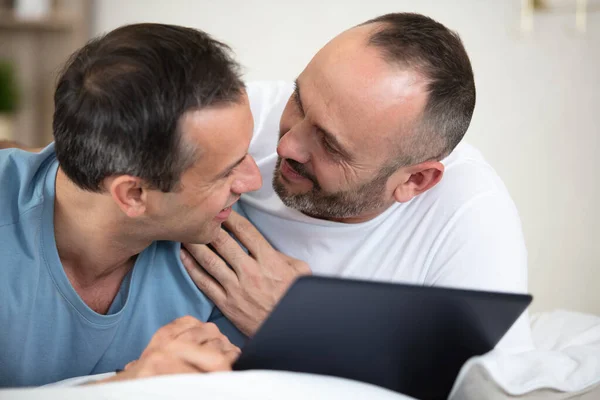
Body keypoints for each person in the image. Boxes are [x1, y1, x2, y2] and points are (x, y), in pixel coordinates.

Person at [181, 13, 533, 350]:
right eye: (299, 101)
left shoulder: (471, 217)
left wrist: (299, 327)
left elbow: (483, 387)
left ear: (415, 180)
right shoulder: (235, 120)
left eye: (330, 145)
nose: (286, 145)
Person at [0, 23, 262, 387]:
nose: (254, 182)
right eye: (226, 172)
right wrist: (128, 386)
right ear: (134, 195)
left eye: (245, 153)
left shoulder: (230, 257)